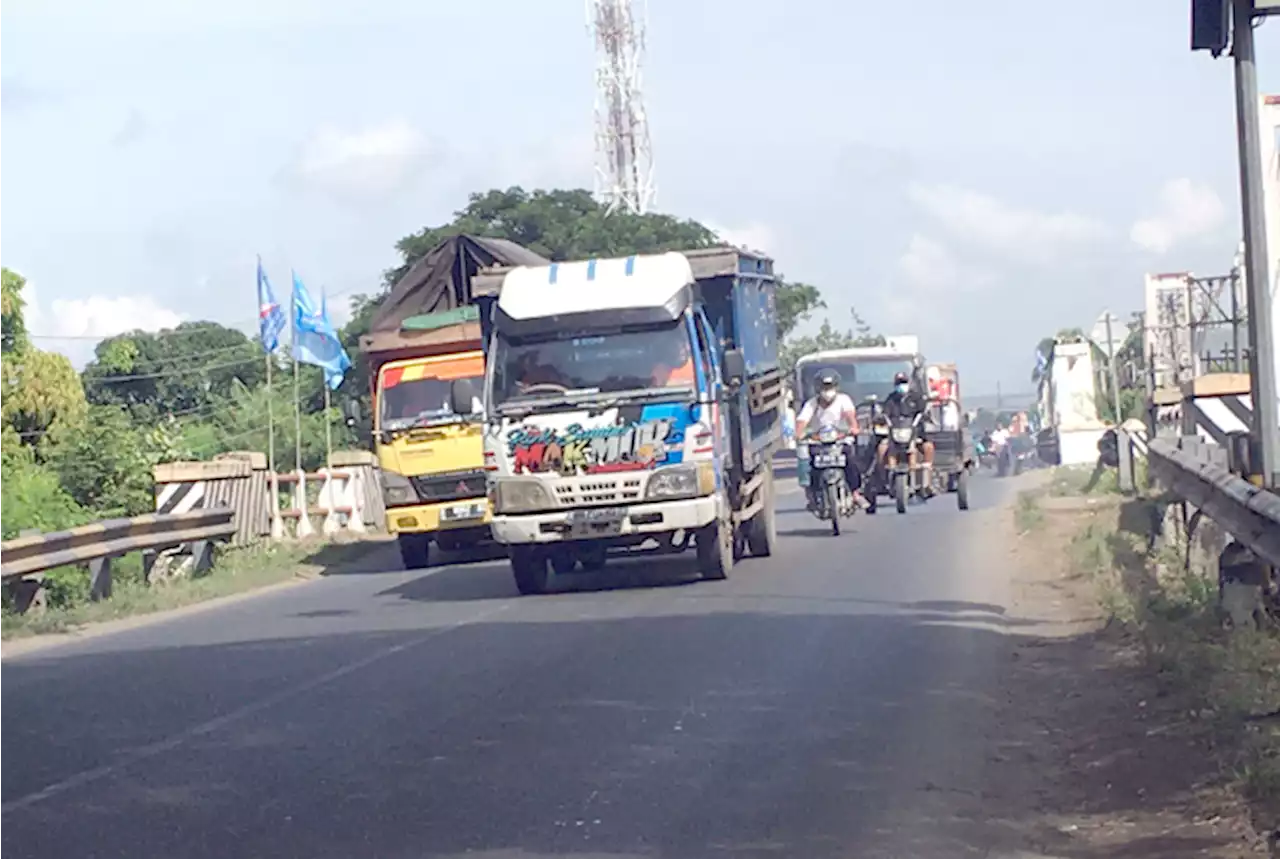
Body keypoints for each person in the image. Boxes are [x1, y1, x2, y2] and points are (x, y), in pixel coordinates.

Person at [795, 370, 866, 509]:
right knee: (812, 466)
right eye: (824, 388)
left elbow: (850, 416)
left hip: (841, 439)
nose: (827, 392)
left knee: (850, 462)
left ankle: (855, 493)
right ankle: (814, 495)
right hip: (818, 441)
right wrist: (799, 433)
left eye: (830, 388)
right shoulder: (812, 404)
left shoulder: (843, 400)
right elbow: (802, 421)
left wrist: (853, 428)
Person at [879, 370, 937, 495]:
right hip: (895, 434)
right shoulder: (891, 399)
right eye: (899, 383)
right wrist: (881, 419)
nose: (902, 385)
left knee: (928, 447)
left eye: (904, 382)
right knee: (882, 448)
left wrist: (924, 417)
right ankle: (886, 479)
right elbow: (884, 413)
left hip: (914, 433)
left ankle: (927, 481)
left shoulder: (916, 397)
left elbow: (924, 410)